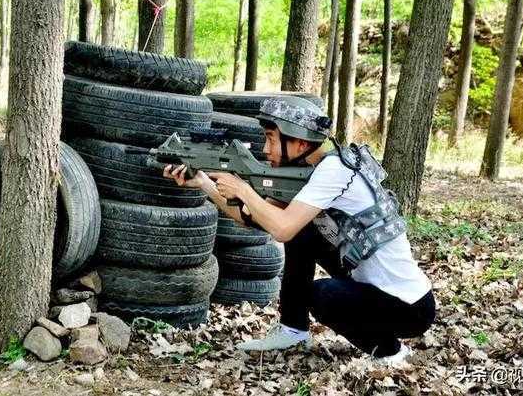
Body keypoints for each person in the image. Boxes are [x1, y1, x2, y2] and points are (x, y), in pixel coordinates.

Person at [163, 96, 436, 366]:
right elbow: (252, 217)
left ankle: (390, 352)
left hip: (410, 307)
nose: (265, 149)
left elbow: (281, 228)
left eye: (271, 138)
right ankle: (293, 330)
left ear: (300, 142)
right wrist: (204, 183)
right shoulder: (312, 168)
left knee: (322, 296)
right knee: (302, 232)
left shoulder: (333, 170)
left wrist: (243, 189)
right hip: (372, 287)